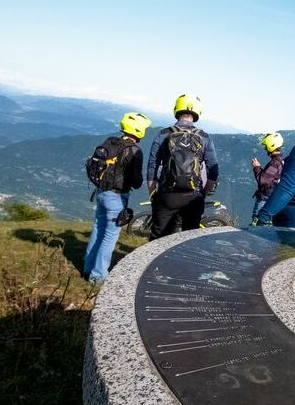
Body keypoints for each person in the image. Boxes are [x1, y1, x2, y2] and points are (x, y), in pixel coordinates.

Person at [84, 112, 151, 283]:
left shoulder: (111, 142)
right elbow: (136, 182)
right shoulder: (134, 150)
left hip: (100, 192)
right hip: (116, 197)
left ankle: (87, 268)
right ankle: (98, 276)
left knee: (98, 229)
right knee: (110, 236)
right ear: (140, 130)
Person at [147, 94, 219, 238]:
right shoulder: (204, 137)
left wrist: (153, 193)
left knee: (159, 239)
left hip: (167, 194)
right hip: (193, 196)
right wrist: (203, 192)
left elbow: (152, 166)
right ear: (197, 112)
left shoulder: (163, 134)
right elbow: (213, 170)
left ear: (177, 109)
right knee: (188, 241)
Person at [250, 132, 284, 225]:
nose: (265, 149)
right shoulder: (280, 161)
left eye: (266, 146)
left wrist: (256, 167)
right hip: (271, 198)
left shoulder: (275, 163)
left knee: (256, 224)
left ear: (271, 146)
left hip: (265, 199)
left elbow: (262, 180)